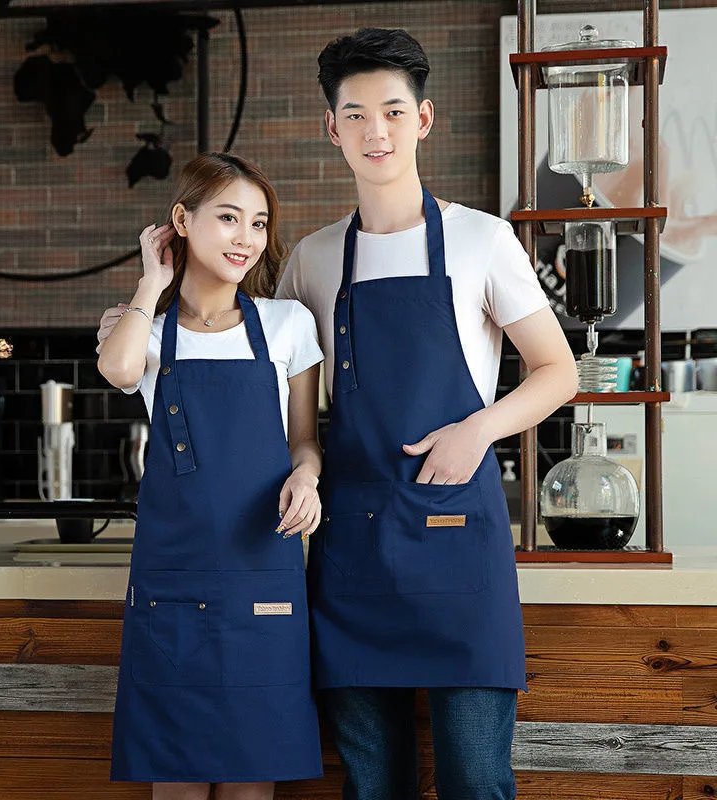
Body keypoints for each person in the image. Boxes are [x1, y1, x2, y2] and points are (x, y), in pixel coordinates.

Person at [274, 28, 579, 800]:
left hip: (459, 545)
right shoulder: (311, 259)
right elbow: (289, 415)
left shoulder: (483, 239)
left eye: (393, 111)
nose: (375, 131)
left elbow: (558, 371)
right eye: (355, 115)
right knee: (372, 786)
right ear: (330, 128)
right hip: (352, 555)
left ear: (424, 119)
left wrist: (479, 428)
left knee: (478, 780)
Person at [98, 152, 324, 800]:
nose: (245, 238)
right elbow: (116, 371)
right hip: (172, 585)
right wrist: (150, 281)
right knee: (178, 787)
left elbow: (304, 442)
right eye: (228, 218)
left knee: (252, 788)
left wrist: (306, 481)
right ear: (182, 220)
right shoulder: (147, 332)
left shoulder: (287, 324)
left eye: (257, 223)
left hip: (264, 581)